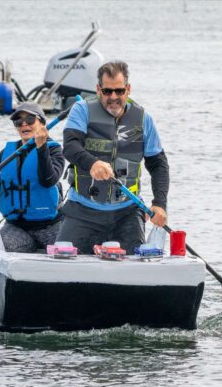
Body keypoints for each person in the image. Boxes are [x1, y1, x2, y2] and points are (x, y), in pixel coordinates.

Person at [55, 60, 169, 254]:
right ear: (98, 89)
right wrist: (92, 163)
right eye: (107, 91)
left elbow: (158, 164)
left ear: (128, 89)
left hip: (127, 212)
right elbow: (70, 147)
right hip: (82, 209)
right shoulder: (82, 110)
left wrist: (159, 204)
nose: (113, 97)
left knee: (135, 265)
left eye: (119, 91)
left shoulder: (143, 119)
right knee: (62, 258)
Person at [0, 102, 65, 252]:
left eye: (30, 120)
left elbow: (48, 180)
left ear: (42, 123)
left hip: (50, 226)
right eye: (18, 121)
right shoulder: (6, 154)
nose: (24, 124)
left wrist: (42, 148)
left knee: (68, 251)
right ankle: (31, 247)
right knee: (0, 248)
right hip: (16, 227)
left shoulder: (54, 150)